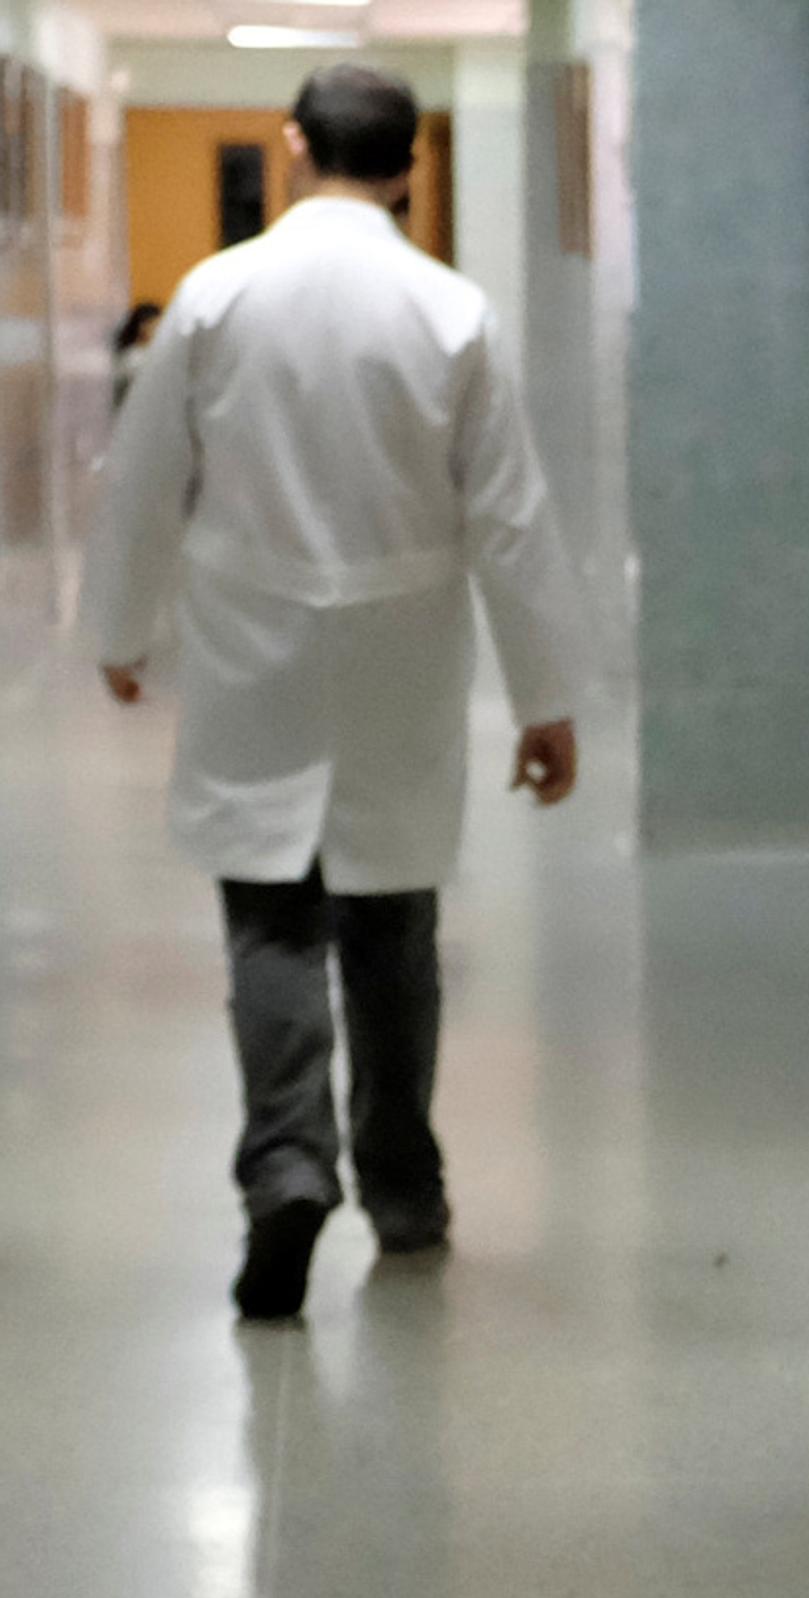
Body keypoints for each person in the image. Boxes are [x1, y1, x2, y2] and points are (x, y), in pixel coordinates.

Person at [77, 63, 592, 1323]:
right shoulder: (450, 309)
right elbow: (512, 521)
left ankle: (286, 1171)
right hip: (400, 652)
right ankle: (404, 1188)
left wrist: (121, 629)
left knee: (269, 922)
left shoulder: (215, 293)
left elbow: (145, 484)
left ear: (293, 145)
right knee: (390, 930)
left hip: (255, 644)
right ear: (410, 165)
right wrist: (546, 697)